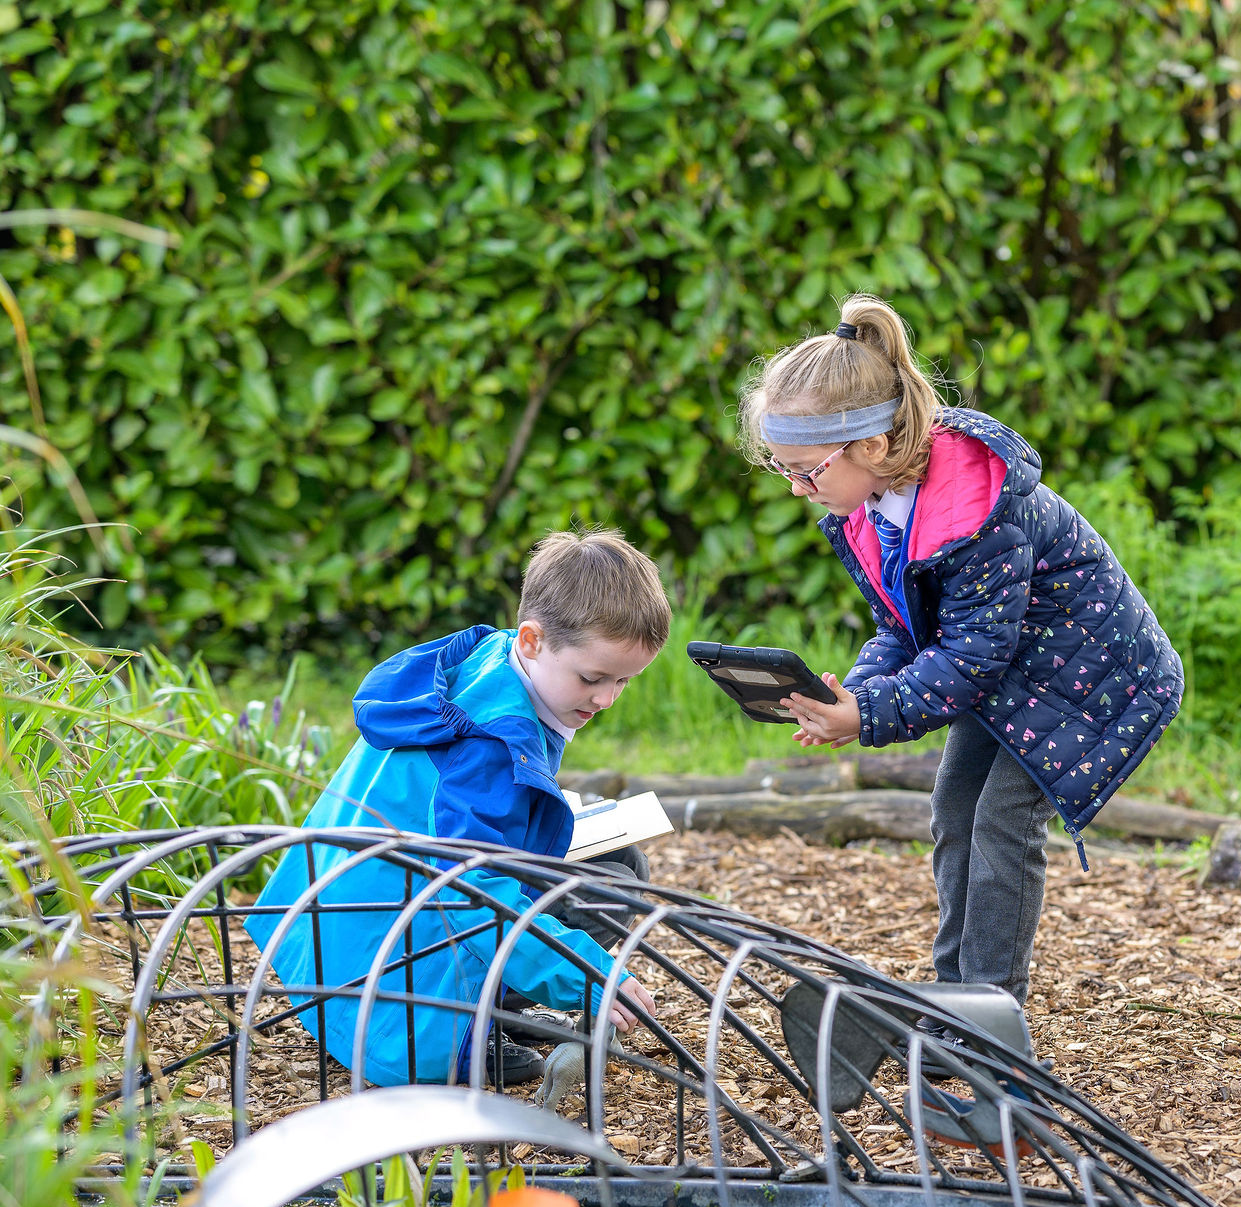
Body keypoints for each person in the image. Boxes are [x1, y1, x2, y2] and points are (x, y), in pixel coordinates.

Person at [740, 294, 1183, 1008]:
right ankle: (954, 997)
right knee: (953, 808)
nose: (796, 487)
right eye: (780, 466)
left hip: (1088, 678)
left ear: (872, 447)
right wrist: (852, 693)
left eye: (807, 470)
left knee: (1001, 823)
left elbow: (973, 655)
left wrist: (871, 714)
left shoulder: (976, 510)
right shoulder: (876, 508)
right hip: (1015, 673)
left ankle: (989, 1016)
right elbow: (902, 629)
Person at [250, 529, 668, 1088]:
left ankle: (489, 1004)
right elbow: (471, 896)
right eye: (593, 678)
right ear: (531, 641)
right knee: (603, 888)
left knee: (621, 868)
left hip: (324, 946)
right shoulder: (486, 750)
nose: (607, 698)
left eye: (623, 681)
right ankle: (465, 1031)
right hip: (380, 990)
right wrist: (591, 978)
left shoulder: (485, 663)